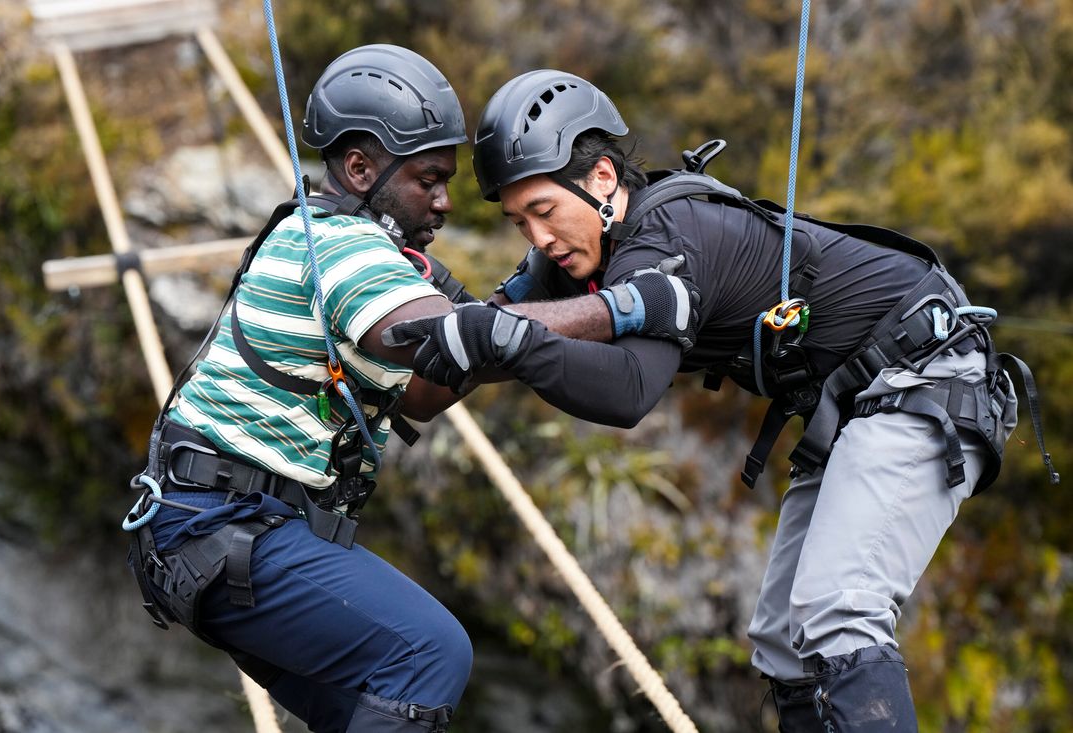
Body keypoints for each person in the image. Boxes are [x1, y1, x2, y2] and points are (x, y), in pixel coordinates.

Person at [383, 69, 1056, 732]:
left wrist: (503, 338)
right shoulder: (570, 258)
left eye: (543, 211)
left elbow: (627, 390)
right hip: (848, 403)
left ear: (604, 180)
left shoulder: (670, 237)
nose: (536, 237)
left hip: (925, 371)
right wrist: (411, 336)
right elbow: (456, 366)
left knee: (841, 611)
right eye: (517, 220)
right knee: (782, 638)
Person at [123, 44, 476, 733]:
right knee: (429, 652)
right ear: (359, 169)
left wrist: (524, 299)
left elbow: (427, 394)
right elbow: (449, 337)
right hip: (220, 521)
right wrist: (605, 313)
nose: (445, 201)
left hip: (208, 527)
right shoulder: (343, 246)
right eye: (429, 179)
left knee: (369, 709)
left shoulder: (337, 242)